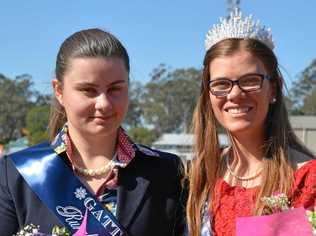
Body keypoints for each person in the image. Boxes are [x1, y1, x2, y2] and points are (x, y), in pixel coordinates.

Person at [0, 28, 185, 236]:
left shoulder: (166, 172)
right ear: (59, 91)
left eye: (115, 89)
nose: (104, 104)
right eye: (88, 90)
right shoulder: (14, 174)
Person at [186, 9, 316, 236]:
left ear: (273, 88)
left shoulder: (306, 180)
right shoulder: (200, 175)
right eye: (221, 84)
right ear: (208, 93)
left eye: (250, 80)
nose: (235, 94)